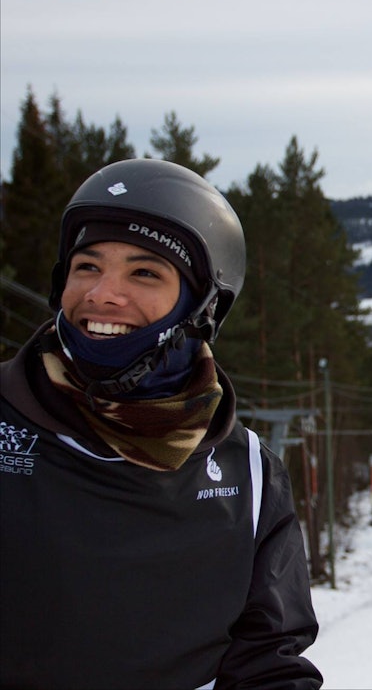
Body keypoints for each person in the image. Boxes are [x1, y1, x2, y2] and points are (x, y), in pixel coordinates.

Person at [0, 159, 323, 689]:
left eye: (144, 272)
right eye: (87, 266)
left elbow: (267, 659)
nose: (103, 294)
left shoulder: (247, 474)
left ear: (202, 306)